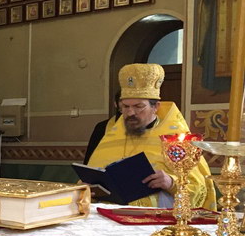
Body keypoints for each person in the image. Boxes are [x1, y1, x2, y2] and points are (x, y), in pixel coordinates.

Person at [86, 63, 216, 209]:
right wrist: (88, 188)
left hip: (156, 218)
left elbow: (199, 189)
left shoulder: (176, 140)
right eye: (126, 107)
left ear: (156, 107)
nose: (130, 113)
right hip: (109, 215)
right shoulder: (111, 136)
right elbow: (92, 177)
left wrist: (171, 183)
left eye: (138, 106)